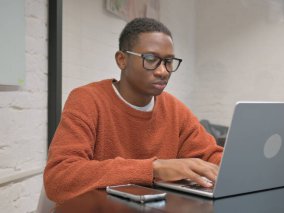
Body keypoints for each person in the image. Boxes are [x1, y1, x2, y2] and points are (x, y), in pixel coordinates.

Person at [43, 17, 223, 203]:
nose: (163, 71)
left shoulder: (176, 110)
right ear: (122, 60)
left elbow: (211, 156)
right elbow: (59, 178)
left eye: (168, 61)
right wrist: (154, 168)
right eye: (151, 59)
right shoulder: (87, 100)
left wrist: (239, 164)